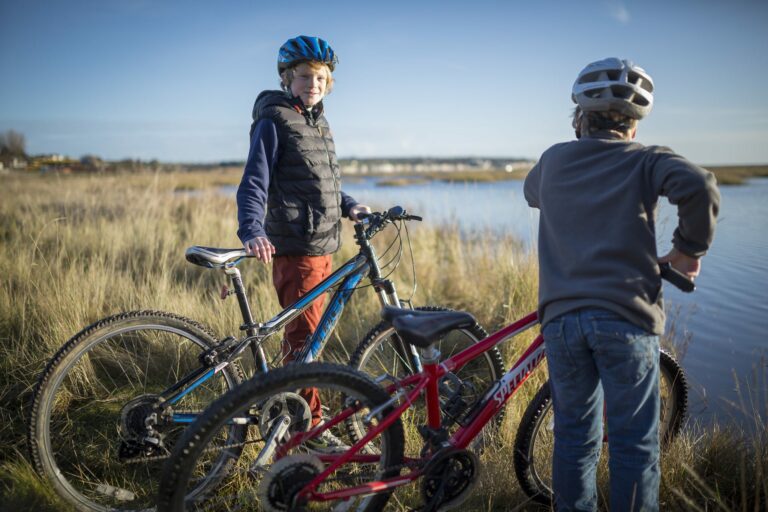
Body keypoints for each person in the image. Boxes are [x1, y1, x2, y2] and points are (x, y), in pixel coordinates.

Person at [524, 58, 720, 511]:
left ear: (580, 118)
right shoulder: (647, 159)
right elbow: (702, 188)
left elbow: (532, 194)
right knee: (633, 445)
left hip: (562, 324)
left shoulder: (553, 160)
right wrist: (688, 250)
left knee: (574, 440)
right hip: (626, 319)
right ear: (632, 126)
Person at [236, 35, 370, 451]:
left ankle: (292, 411)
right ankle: (306, 430)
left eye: (321, 77)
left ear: (329, 84)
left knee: (305, 340)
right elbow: (255, 180)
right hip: (298, 249)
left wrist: (348, 204)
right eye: (305, 76)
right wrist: (252, 230)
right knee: (304, 345)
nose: (313, 83)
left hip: (323, 246)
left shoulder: (317, 122)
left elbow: (319, 183)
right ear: (286, 78)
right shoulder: (274, 120)